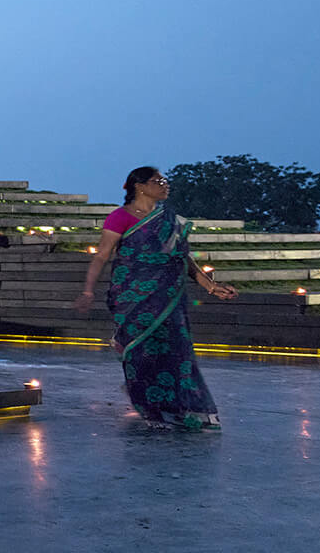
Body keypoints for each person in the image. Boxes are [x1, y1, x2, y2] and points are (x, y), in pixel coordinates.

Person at [77, 167, 232, 431]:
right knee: (141, 353)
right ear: (138, 186)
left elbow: (183, 258)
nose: (164, 185)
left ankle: (185, 406)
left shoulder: (170, 219)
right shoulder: (120, 217)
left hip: (169, 298)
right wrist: (88, 290)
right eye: (157, 181)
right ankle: (149, 406)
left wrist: (210, 285)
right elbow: (102, 255)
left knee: (177, 352)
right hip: (133, 297)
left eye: (165, 181)